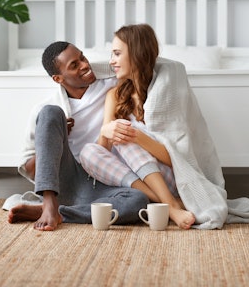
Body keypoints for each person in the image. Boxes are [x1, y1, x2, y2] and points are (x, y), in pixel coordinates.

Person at [7, 41, 149, 231]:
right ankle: (49, 203)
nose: (84, 65)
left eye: (82, 57)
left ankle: (61, 212)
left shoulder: (111, 83)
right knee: (50, 112)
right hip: (70, 178)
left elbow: (145, 61)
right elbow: (31, 170)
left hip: (107, 181)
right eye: (74, 65)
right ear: (58, 79)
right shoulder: (46, 109)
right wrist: (58, 139)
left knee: (139, 200)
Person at [79, 24, 196, 229]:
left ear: (137, 54)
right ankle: (168, 205)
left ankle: (169, 199)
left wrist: (135, 136)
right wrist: (104, 131)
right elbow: (102, 155)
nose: (111, 61)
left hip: (170, 175)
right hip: (136, 179)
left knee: (123, 131)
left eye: (117, 54)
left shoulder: (165, 95)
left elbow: (176, 158)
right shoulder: (114, 96)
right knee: (88, 151)